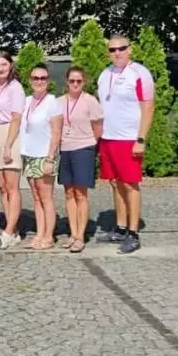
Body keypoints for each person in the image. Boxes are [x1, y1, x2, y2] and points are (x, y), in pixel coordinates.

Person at [95, 34, 155, 254]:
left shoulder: (140, 73)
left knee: (130, 184)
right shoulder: (104, 74)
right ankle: (120, 228)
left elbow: (148, 107)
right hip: (109, 138)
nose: (117, 53)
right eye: (112, 50)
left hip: (129, 138)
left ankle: (133, 233)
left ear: (130, 49)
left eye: (121, 48)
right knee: (115, 182)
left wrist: (141, 139)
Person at [58, 66, 103, 253]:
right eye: (72, 81)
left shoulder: (90, 101)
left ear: (84, 82)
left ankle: (80, 236)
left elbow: (98, 126)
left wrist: (90, 144)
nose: (75, 84)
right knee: (69, 193)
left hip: (83, 149)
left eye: (79, 81)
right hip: (65, 149)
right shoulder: (60, 102)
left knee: (81, 194)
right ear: (66, 82)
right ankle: (73, 232)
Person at [0, 50, 26, 249]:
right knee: (2, 187)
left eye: (4, 64)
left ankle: (8, 231)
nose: (0, 68)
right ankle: (13, 229)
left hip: (9, 133)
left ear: (10, 65)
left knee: (12, 186)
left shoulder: (15, 87)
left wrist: (8, 145)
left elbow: (16, 118)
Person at [20, 63, 63, 250]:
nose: (39, 81)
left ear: (48, 80)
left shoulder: (53, 102)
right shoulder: (26, 101)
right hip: (28, 154)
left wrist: (50, 158)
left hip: (44, 155)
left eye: (43, 78)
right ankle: (39, 233)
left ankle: (48, 236)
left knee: (46, 197)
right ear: (30, 80)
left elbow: (56, 133)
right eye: (35, 78)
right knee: (36, 197)